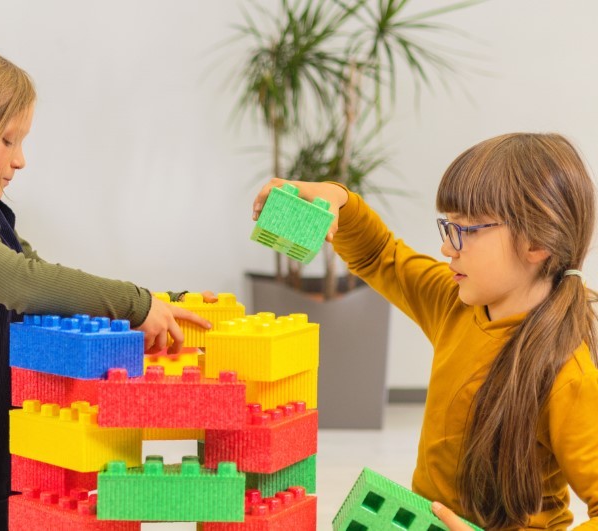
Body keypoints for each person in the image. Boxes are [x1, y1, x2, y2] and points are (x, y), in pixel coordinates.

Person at [0, 40, 211, 531]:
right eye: (8, 141)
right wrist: (135, 304)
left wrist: (150, 308)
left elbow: (41, 275)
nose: (21, 159)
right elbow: (22, 284)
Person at [253, 133, 598, 530]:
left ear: (536, 240)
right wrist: (338, 199)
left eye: (465, 231)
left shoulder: (568, 376)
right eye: (447, 227)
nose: (447, 249)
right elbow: (380, 255)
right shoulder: (453, 301)